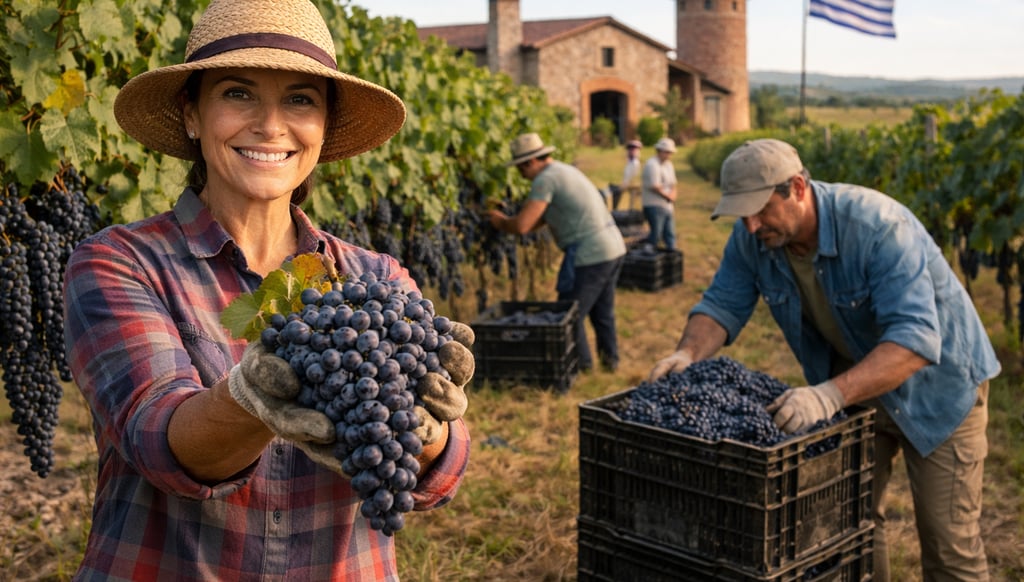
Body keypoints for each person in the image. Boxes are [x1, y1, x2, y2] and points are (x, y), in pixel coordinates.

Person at [62, 1, 473, 579]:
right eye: (238, 93)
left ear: (323, 127)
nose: (271, 126)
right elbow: (157, 444)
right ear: (192, 115)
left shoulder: (378, 280)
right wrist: (251, 397)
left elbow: (439, 477)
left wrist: (429, 432)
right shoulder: (119, 263)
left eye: (300, 100)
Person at [648, 138, 999, 581]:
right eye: (742, 214)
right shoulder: (753, 237)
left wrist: (827, 396)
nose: (751, 226)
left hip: (939, 390)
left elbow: (915, 340)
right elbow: (722, 303)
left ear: (797, 188)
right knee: (852, 526)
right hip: (859, 387)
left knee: (949, 547)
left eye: (760, 210)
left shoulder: (877, 227)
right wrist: (688, 353)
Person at [487, 133, 627, 374]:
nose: (520, 175)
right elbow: (541, 219)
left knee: (568, 314)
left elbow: (522, 226)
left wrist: (499, 221)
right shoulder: (563, 170)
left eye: (520, 168)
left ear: (531, 162)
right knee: (602, 312)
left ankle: (582, 368)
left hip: (591, 253)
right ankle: (610, 363)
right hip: (612, 246)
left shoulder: (545, 180)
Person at [641, 137, 678, 249]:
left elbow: (673, 183)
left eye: (670, 153)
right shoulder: (652, 164)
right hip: (654, 204)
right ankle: (649, 253)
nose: (668, 155)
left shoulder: (668, 164)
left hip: (667, 205)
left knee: (670, 234)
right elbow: (655, 186)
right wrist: (669, 196)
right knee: (656, 234)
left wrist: (673, 195)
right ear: (659, 151)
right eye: (666, 152)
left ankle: (671, 253)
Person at [615, 138, 643, 210]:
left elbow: (634, 179)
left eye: (634, 149)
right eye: (630, 149)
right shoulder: (630, 162)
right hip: (627, 187)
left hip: (633, 188)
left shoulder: (635, 163)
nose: (631, 151)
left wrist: (624, 185)